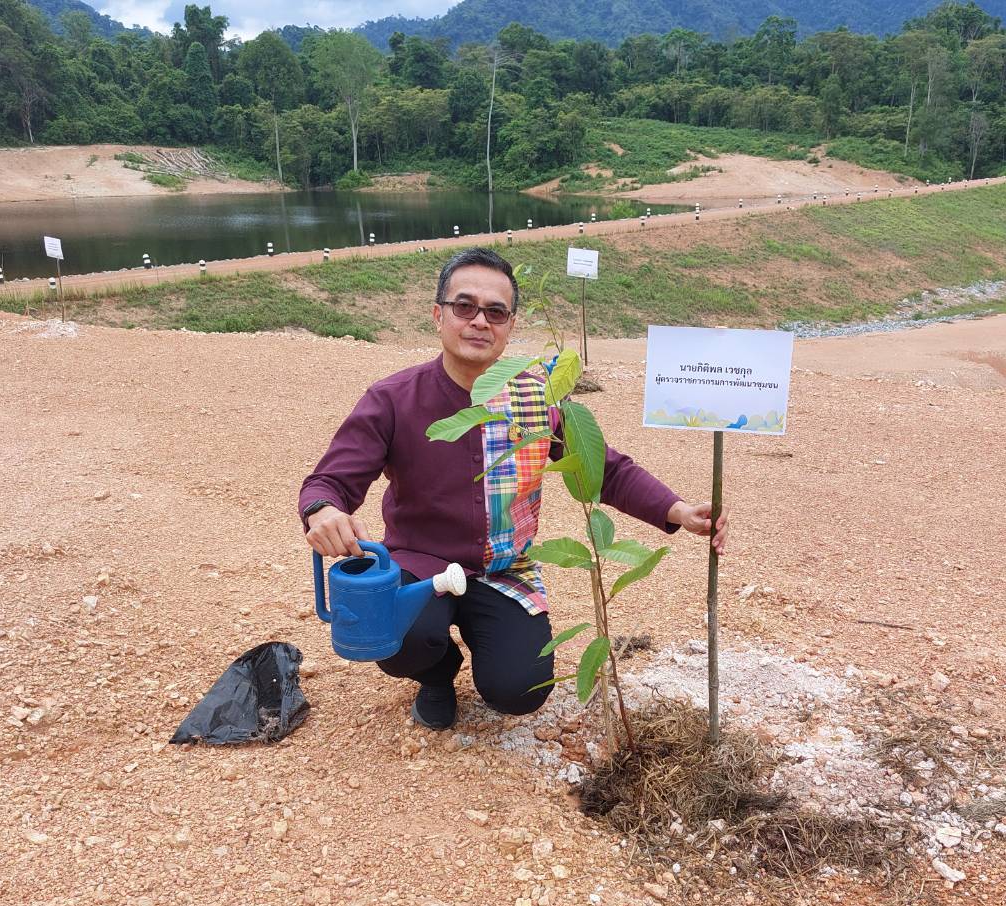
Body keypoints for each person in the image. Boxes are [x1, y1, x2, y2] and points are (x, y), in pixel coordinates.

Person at [298, 247, 727, 730]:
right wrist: (322, 510)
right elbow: (331, 480)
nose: (480, 321)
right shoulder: (393, 399)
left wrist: (678, 510)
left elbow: (601, 467)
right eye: (465, 306)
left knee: (519, 690)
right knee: (399, 637)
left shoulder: (533, 397)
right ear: (438, 315)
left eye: (495, 312)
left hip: (504, 569)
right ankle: (436, 676)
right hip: (418, 565)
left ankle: (489, 654)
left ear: (511, 325)